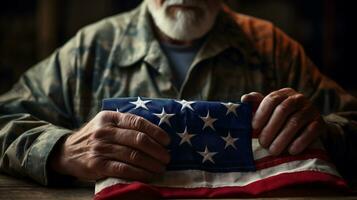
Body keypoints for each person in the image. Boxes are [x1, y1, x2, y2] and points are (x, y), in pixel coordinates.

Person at [0, 0, 356, 186]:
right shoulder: (91, 48)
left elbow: (350, 117)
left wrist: (323, 131)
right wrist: (60, 150)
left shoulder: (272, 47)